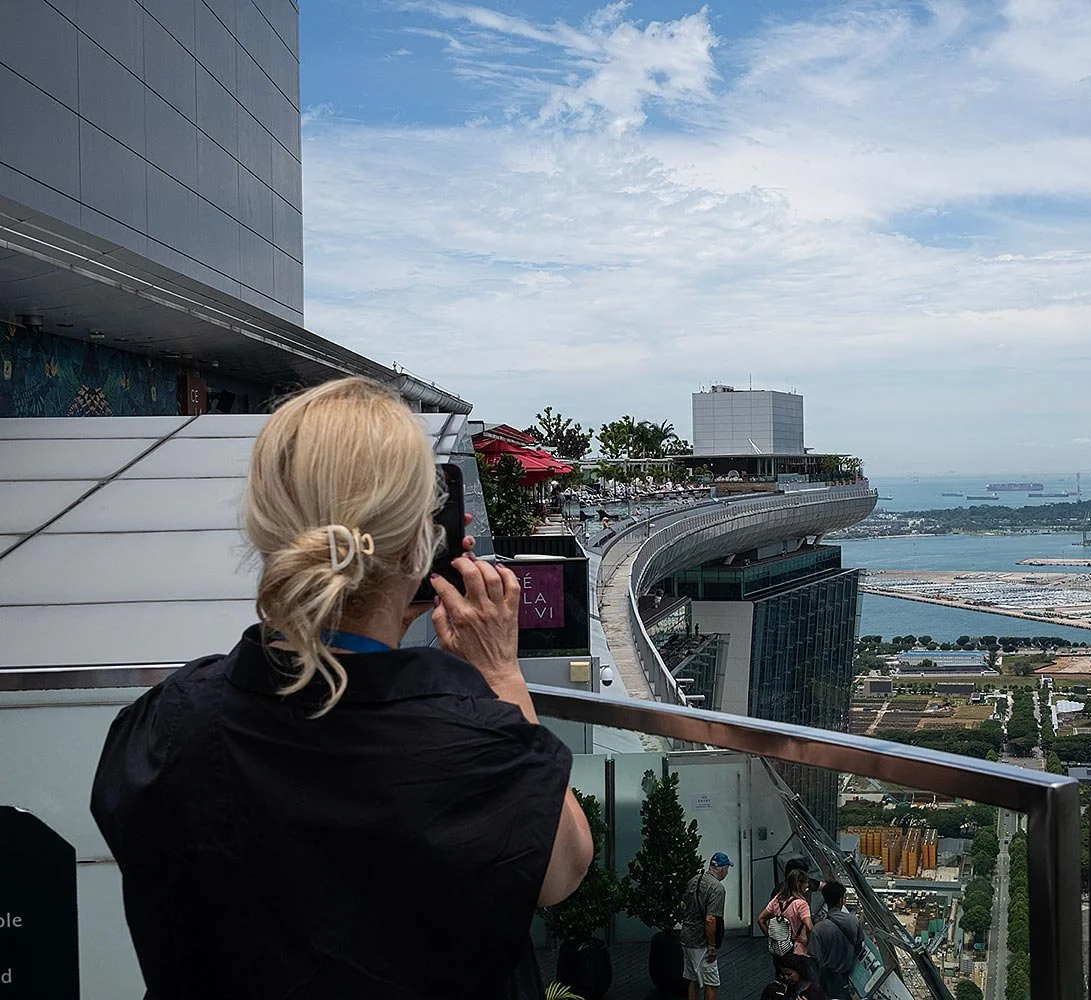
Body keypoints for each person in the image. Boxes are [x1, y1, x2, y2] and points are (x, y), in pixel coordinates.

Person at [90, 378, 594, 999]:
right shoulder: (472, 744)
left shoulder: (167, 727)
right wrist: (500, 673)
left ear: (270, 533)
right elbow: (563, 867)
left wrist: (375, 611)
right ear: (420, 544)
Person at [681, 851, 734, 1000]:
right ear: (722, 869)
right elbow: (710, 919)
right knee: (712, 982)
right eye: (727, 868)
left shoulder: (694, 880)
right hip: (701, 942)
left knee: (693, 978)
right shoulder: (717, 888)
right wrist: (711, 946)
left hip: (687, 937)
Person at [809, 881, 864, 1000]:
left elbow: (814, 957)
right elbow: (859, 945)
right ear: (841, 900)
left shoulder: (818, 929)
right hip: (849, 973)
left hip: (827, 978)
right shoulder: (853, 920)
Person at [759, 869, 813, 975]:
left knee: (781, 977)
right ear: (800, 884)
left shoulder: (777, 900)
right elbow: (809, 926)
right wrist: (809, 944)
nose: (807, 885)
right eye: (806, 883)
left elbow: (760, 919)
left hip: (779, 949)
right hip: (797, 950)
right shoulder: (801, 904)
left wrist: (771, 937)